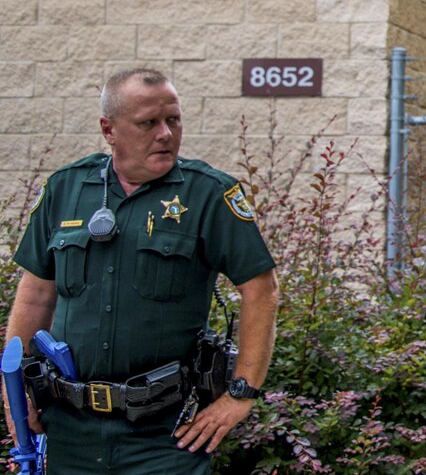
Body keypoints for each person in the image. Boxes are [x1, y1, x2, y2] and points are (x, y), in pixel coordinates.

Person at [3, 68, 279, 474]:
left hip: (165, 435)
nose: (165, 133)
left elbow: (262, 291)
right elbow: (36, 295)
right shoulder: (66, 189)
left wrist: (240, 394)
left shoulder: (208, 194)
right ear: (108, 129)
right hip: (66, 431)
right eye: (149, 123)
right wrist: (14, 397)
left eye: (174, 119)